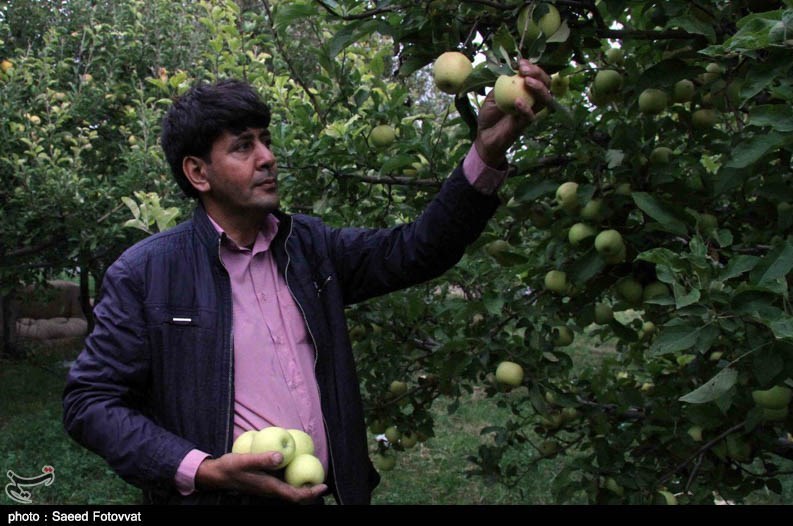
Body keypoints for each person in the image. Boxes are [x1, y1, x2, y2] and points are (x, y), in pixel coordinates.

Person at [62, 59, 551, 505]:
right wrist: (204, 470)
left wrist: (487, 150)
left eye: (265, 140)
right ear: (198, 172)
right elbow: (89, 403)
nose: (267, 157)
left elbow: (418, 249)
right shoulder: (146, 274)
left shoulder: (310, 249)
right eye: (243, 146)